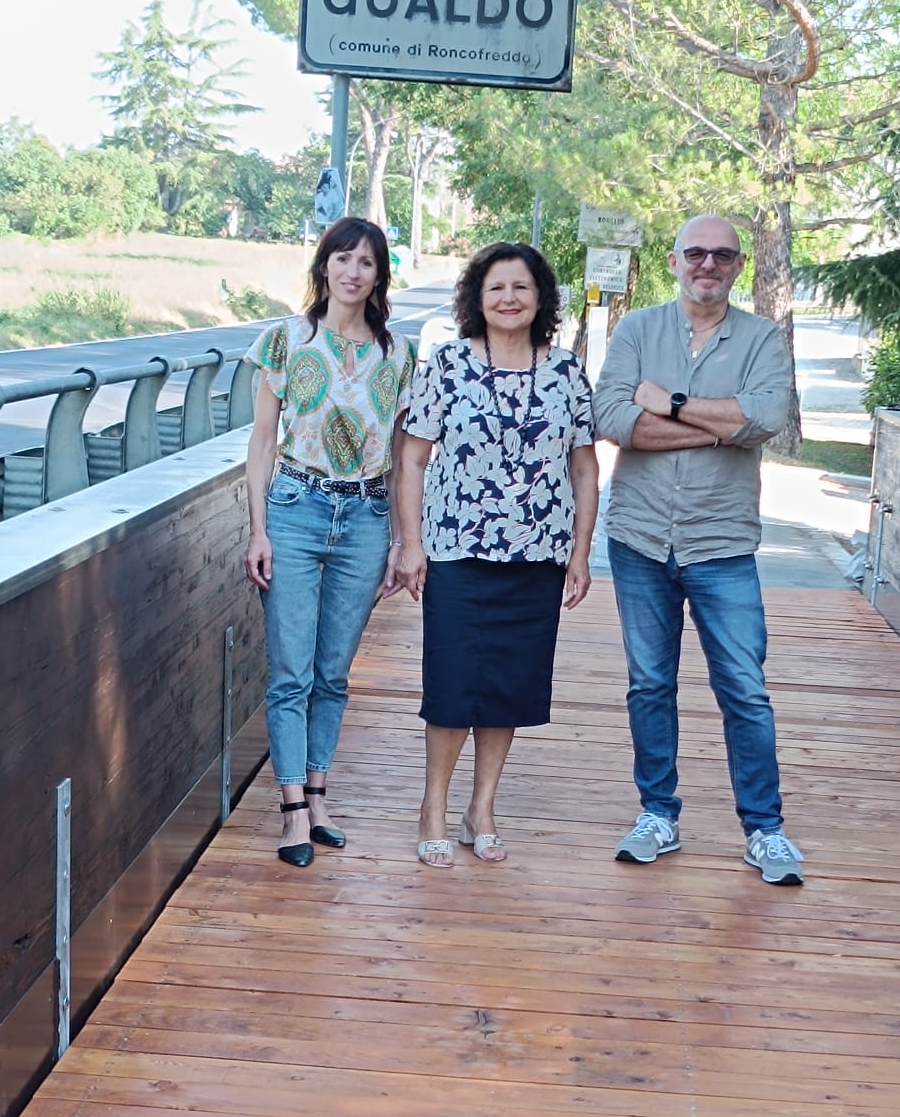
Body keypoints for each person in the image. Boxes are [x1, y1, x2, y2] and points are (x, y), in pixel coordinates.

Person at [592, 214, 803, 885]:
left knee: (744, 688)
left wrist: (673, 402)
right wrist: (718, 427)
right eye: (695, 253)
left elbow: (767, 418)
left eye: (722, 254)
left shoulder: (762, 336)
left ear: (740, 266)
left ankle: (764, 829)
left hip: (722, 542)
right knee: (649, 684)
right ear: (675, 260)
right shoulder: (636, 331)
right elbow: (612, 419)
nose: (707, 264)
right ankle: (658, 814)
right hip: (641, 539)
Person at [393, 242, 598, 868]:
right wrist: (411, 543)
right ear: (476, 300)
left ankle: (481, 807)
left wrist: (581, 553)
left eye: (521, 288)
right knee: (454, 684)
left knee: (508, 686)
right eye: (496, 288)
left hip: (538, 556)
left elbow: (585, 469)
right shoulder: (447, 365)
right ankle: (433, 806)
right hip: (455, 550)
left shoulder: (565, 371)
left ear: (541, 299)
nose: (509, 299)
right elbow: (412, 459)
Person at [243, 217, 416, 866]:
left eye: (366, 262)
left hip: (366, 517)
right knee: (291, 671)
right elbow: (262, 441)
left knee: (333, 674)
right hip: (294, 508)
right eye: (343, 258)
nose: (353, 271)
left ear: (379, 276)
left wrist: (403, 539)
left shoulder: (397, 353)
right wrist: (258, 528)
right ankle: (290, 809)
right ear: (324, 267)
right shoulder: (287, 340)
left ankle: (318, 796)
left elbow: (403, 452)